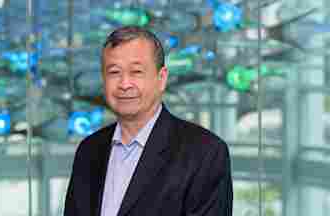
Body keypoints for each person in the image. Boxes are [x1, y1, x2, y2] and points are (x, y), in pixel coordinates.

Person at [64, 25, 233, 216]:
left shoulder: (204, 153)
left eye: (136, 72)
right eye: (114, 72)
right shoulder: (88, 151)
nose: (124, 84)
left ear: (161, 78)